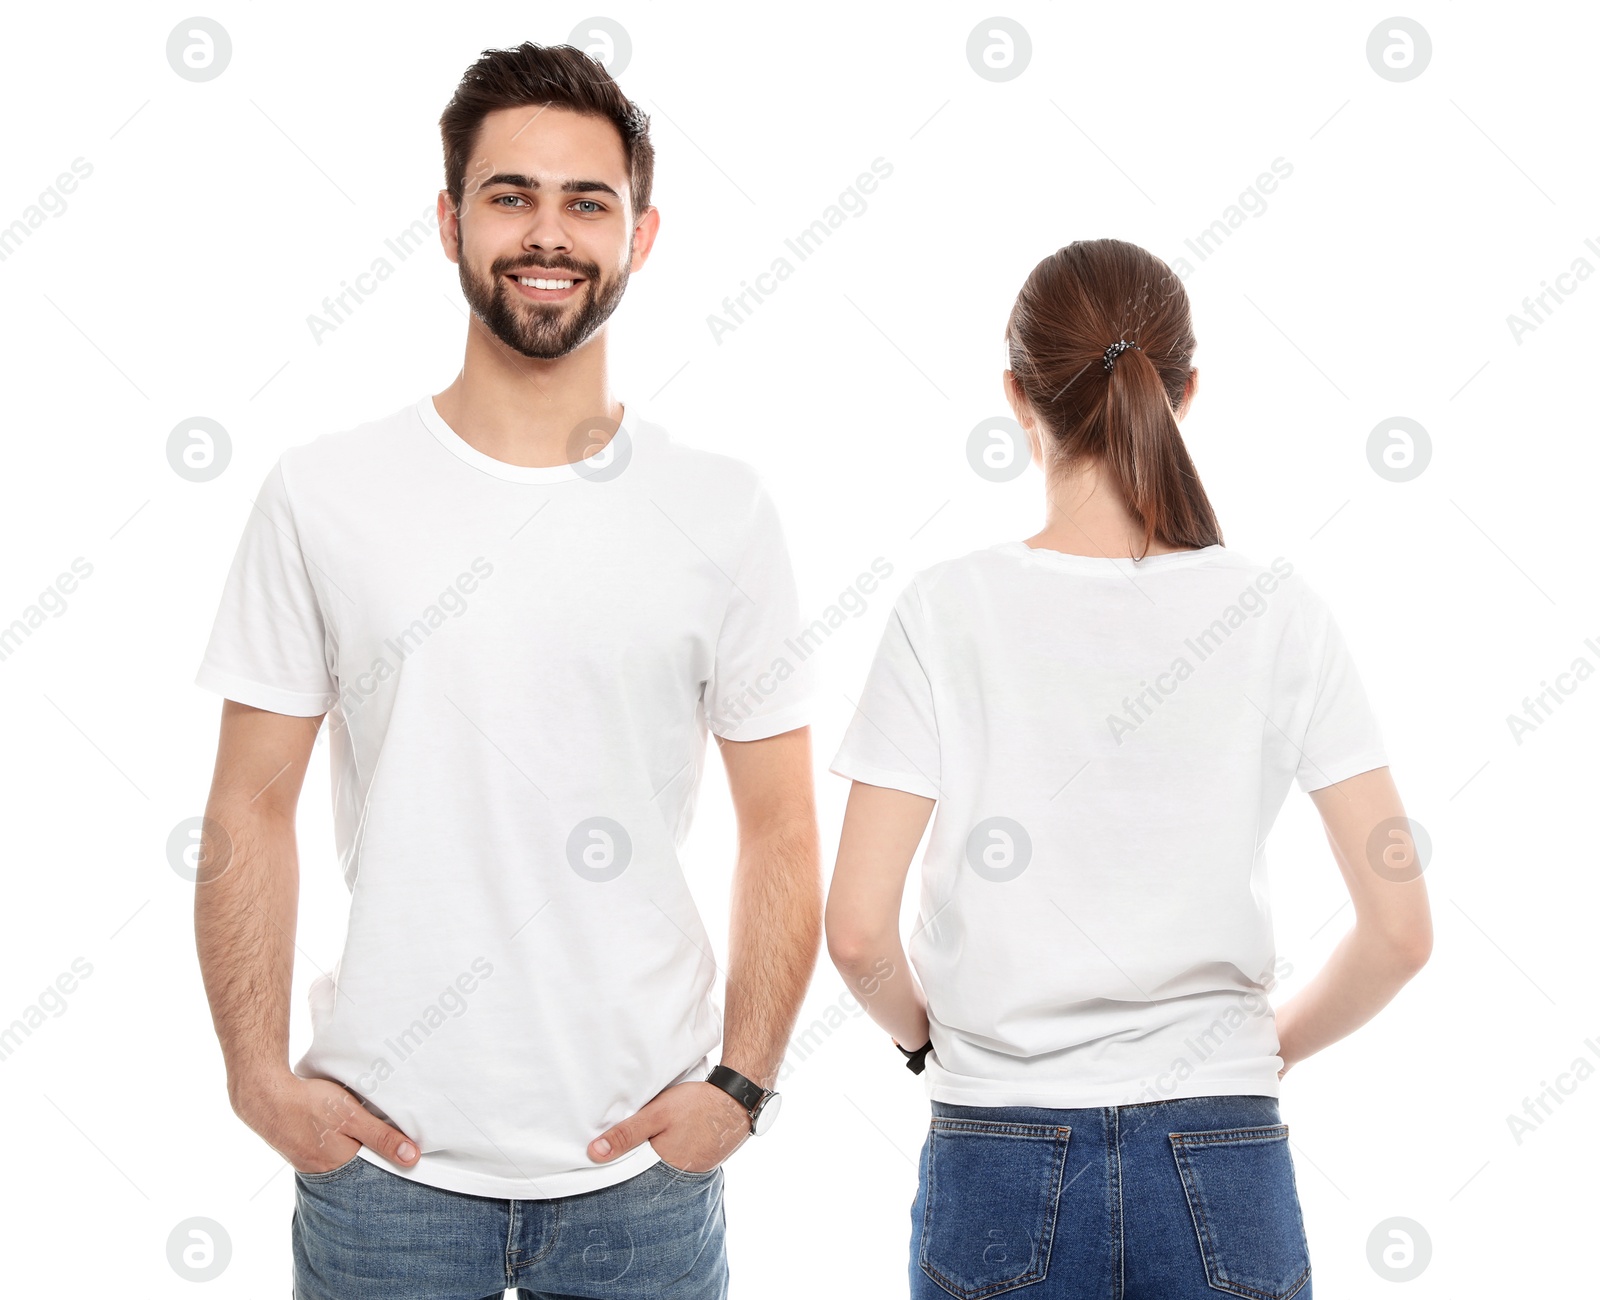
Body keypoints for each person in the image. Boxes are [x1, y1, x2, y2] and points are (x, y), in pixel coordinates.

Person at [192, 42, 820, 1300]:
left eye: (588, 201)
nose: (550, 233)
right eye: (510, 195)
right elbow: (247, 805)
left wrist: (741, 1086)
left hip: (645, 1173)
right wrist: (258, 1075)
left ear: (641, 235)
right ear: (448, 222)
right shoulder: (325, 494)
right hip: (383, 1172)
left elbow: (784, 824)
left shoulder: (722, 510)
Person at [825, 237, 1431, 1300]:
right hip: (1224, 1148)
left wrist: (932, 1044)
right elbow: (1399, 931)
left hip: (996, 1149)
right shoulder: (1278, 611)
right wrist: (1259, 1048)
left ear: (1017, 395)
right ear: (1184, 391)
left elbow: (858, 932)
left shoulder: (943, 610)